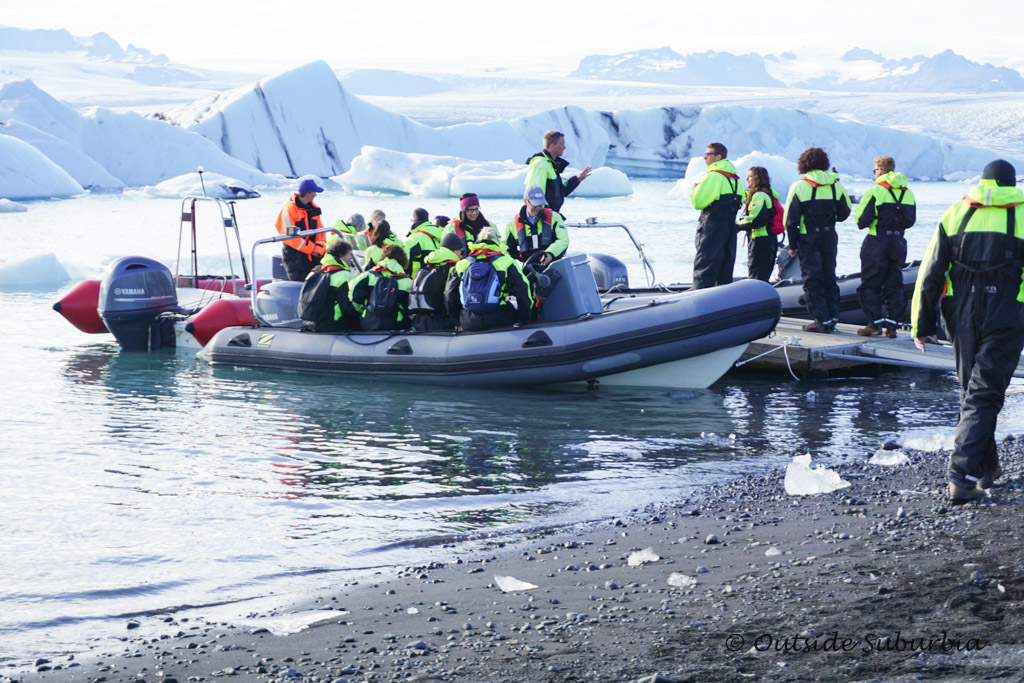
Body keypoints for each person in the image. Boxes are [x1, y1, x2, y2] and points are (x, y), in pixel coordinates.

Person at [911, 159, 1024, 503]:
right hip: (1006, 310)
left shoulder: (956, 212)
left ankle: (987, 468)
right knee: (984, 392)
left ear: (983, 182)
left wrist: (922, 323)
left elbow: (930, 272)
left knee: (971, 391)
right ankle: (962, 476)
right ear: (1011, 183)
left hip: (959, 311)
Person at [784, 147, 852, 332]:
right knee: (829, 275)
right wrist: (831, 219)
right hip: (829, 235)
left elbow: (790, 220)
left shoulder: (799, 186)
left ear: (803, 164)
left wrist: (792, 244)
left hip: (809, 237)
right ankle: (832, 316)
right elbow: (845, 212)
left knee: (812, 279)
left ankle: (821, 320)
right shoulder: (835, 185)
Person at [855, 156, 917, 337]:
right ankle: (892, 325)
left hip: (877, 241)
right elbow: (910, 221)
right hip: (898, 242)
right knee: (894, 283)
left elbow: (861, 220)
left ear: (880, 171)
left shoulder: (875, 191)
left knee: (870, 283)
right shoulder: (908, 193)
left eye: (875, 171)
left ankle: (874, 323)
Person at [445, 227, 532, 332]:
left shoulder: (462, 264)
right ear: (496, 241)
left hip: (469, 320)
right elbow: (523, 292)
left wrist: (457, 321)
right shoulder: (506, 262)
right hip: (500, 318)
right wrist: (524, 320)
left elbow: (449, 295)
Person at [689, 142, 744, 289]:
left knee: (705, 268)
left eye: (708, 154)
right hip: (729, 231)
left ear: (718, 157)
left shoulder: (713, 177)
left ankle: (700, 304)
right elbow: (742, 199)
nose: (704, 158)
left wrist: (694, 190)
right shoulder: (735, 180)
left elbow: (698, 203)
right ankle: (722, 304)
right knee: (725, 269)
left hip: (711, 229)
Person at [525, 130, 592, 216]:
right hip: (543, 218)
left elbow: (560, 192)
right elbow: (535, 194)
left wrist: (577, 179)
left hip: (551, 216)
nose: (564, 147)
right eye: (562, 144)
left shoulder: (551, 165)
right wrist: (543, 216)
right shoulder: (540, 164)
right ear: (553, 145)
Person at [348, 244, 413, 332]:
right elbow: (409, 308)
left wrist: (362, 310)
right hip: (396, 324)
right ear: (403, 260)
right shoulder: (407, 282)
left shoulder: (368, 275)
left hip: (368, 323)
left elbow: (353, 293)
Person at [274, 177, 328, 281]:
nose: (315, 195)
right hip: (295, 257)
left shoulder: (314, 209)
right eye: (314, 192)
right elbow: (290, 237)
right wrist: (312, 249)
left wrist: (319, 248)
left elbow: (321, 231)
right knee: (298, 284)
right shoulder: (289, 210)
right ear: (307, 193)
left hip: (314, 256)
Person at [410, 231, 464, 331]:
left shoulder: (425, 267)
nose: (461, 256)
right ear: (455, 251)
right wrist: (457, 321)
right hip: (442, 321)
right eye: (461, 252)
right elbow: (450, 297)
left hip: (418, 321)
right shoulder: (453, 269)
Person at [302, 238, 360, 332]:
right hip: (332, 324)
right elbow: (348, 308)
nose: (351, 258)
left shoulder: (313, 273)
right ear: (341, 255)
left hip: (310, 323)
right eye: (349, 254)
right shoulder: (345, 276)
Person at [735, 166, 781, 282]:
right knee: (761, 275)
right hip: (767, 240)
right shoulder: (767, 194)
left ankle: (756, 298)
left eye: (750, 176)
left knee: (757, 276)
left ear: (758, 179)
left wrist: (737, 225)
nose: (746, 179)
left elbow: (756, 219)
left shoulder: (760, 196)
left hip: (760, 241)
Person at [504, 186, 569, 266]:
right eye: (535, 204)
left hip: (554, 267)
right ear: (526, 201)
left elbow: (563, 240)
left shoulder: (555, 218)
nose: (538, 207)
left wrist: (550, 254)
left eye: (540, 203)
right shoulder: (512, 224)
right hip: (528, 270)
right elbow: (504, 247)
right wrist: (513, 267)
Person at [404, 207, 444, 277]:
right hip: (439, 278)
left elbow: (405, 261)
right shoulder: (442, 234)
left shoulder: (414, 238)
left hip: (418, 279)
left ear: (414, 221)